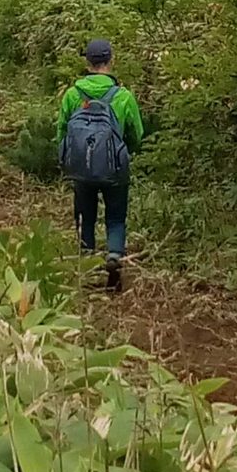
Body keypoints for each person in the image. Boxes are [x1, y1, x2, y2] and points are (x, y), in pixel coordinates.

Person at [56, 38, 146, 291]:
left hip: (81, 169)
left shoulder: (73, 94)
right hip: (115, 169)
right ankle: (115, 257)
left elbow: (62, 131)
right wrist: (125, 151)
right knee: (116, 217)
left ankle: (87, 266)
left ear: (87, 61)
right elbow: (136, 134)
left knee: (86, 216)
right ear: (111, 60)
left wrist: (65, 160)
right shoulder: (123, 96)